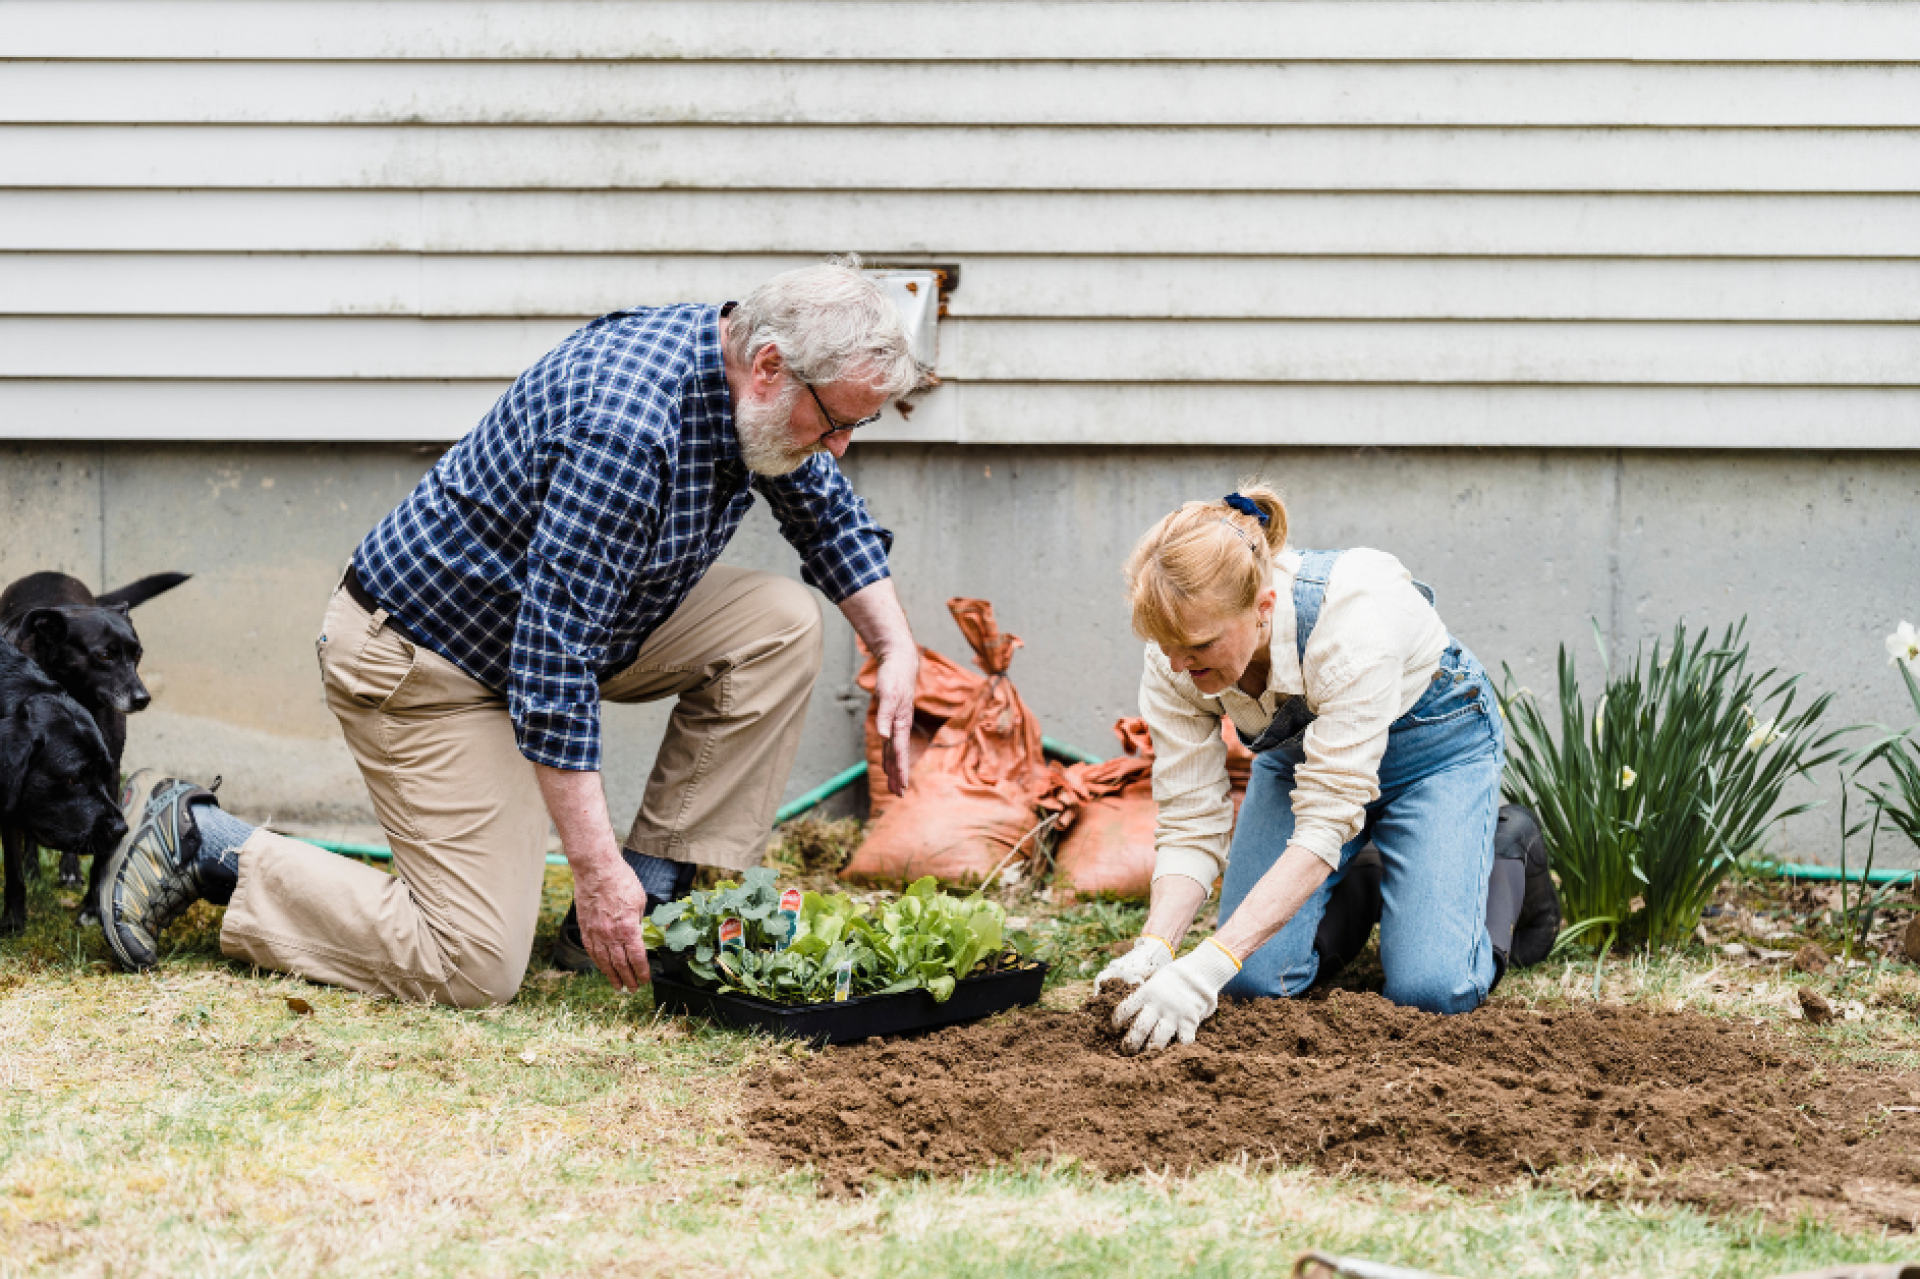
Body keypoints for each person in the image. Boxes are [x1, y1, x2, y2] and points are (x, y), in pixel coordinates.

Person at [95, 260, 926, 1007]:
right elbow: (552, 664)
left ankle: (655, 895)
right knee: (475, 964)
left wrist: (893, 647)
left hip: (562, 626)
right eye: (835, 421)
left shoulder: (748, 370)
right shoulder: (628, 428)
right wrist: (593, 871)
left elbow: (821, 507)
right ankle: (206, 841)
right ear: (771, 367)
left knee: (777, 625)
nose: (840, 446)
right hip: (426, 664)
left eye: (859, 426)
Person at [1095, 482, 1553, 1053]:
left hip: (1434, 751)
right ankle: (1361, 876)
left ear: (1262, 609)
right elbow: (1191, 820)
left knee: (1433, 990)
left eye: (1199, 646)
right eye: (1166, 646)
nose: (1177, 665)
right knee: (1250, 983)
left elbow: (1322, 826)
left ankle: (1507, 849)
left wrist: (1203, 965)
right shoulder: (1176, 652)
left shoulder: (1354, 620)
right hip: (1305, 766)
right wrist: (1157, 948)